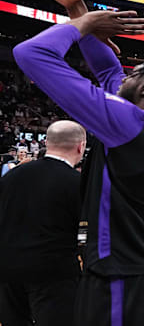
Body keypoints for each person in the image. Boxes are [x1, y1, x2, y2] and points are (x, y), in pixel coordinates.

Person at [15, 0, 144, 325]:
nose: (125, 73)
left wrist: (85, 23)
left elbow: (30, 54)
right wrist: (74, 6)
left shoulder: (127, 122)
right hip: (138, 266)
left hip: (123, 272)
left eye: (136, 72)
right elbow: (106, 69)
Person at [0, 121, 85, 326]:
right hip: (54, 273)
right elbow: (86, 231)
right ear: (81, 146)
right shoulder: (77, 182)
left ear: (47, 142)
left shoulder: (11, 177)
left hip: (8, 270)